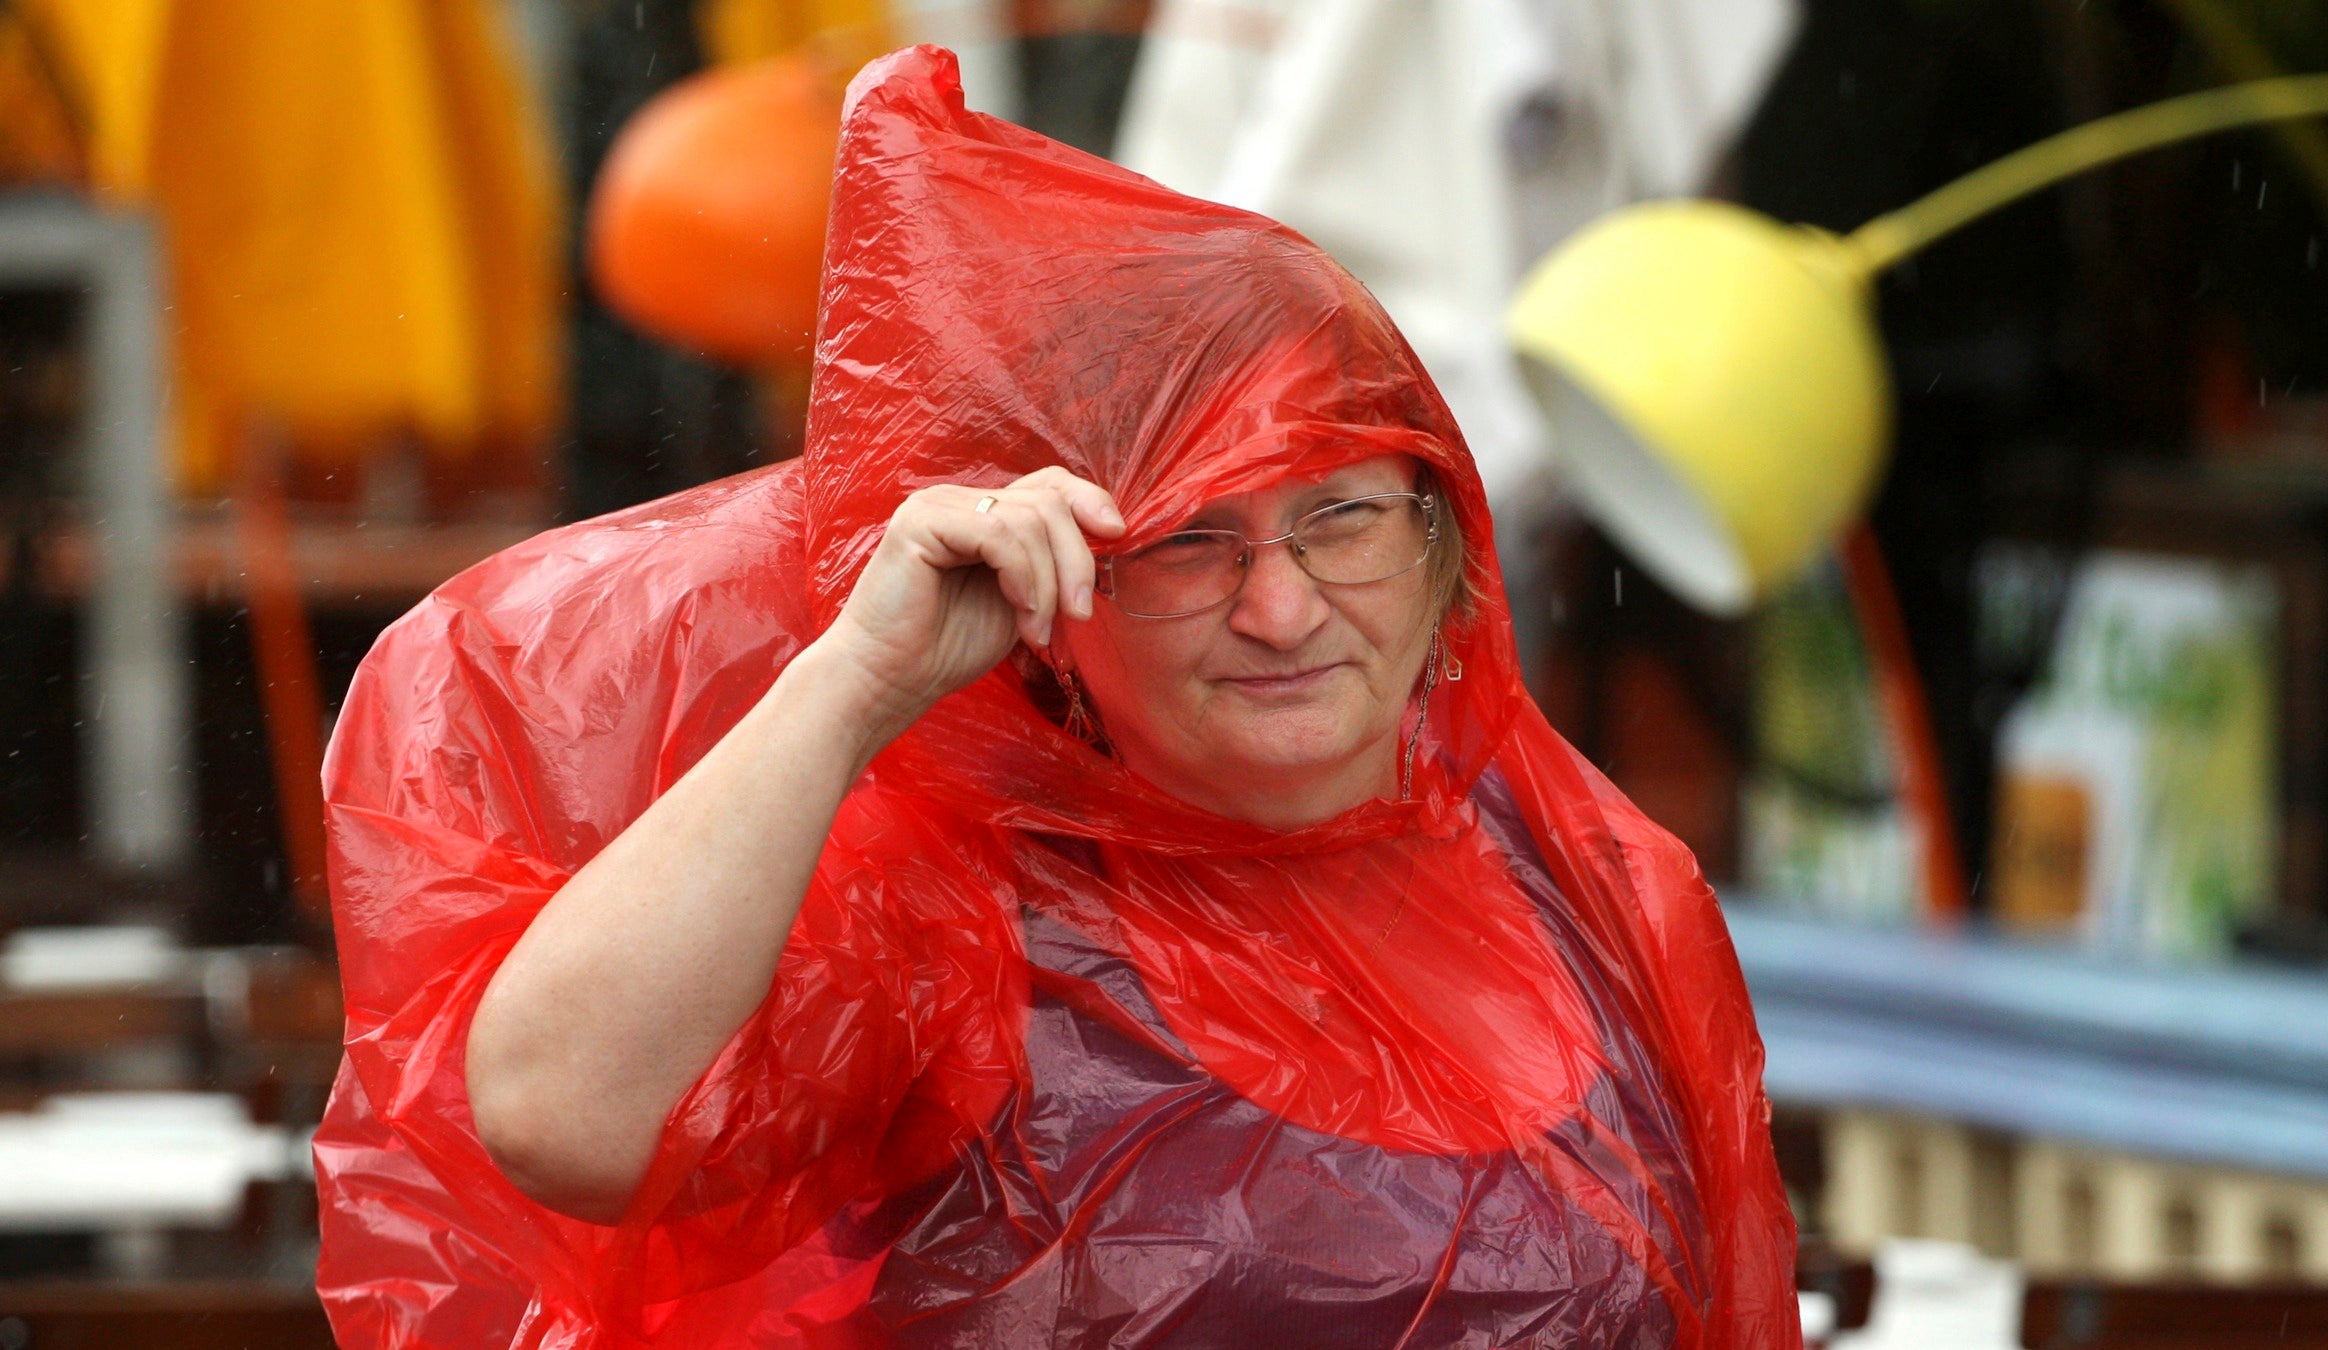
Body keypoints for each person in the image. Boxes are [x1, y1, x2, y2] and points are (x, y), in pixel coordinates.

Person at [313, 46, 1796, 1350]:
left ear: (1442, 548)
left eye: (1340, 517)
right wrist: (856, 680)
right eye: (1189, 541)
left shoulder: (1608, 898)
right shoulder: (955, 909)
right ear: (1064, 596)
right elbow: (556, 1121)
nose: (1279, 607)